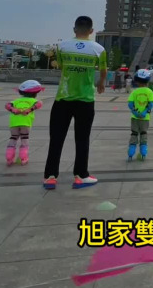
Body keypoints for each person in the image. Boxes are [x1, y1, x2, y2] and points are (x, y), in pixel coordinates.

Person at [43, 16, 106, 190]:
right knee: (82, 138)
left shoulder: (62, 46)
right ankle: (81, 175)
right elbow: (103, 70)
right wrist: (100, 83)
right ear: (91, 31)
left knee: (56, 138)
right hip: (85, 99)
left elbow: (62, 67)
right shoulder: (98, 49)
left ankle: (50, 177)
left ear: (74, 29)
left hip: (63, 98)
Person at [4, 80, 44, 166]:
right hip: (25, 123)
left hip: (14, 122)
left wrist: (13, 110)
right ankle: (23, 158)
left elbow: (7, 105)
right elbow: (39, 103)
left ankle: (9, 158)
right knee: (24, 139)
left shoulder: (17, 100)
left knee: (13, 138)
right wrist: (29, 109)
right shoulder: (33, 100)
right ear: (35, 94)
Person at [127, 69, 153, 161]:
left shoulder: (134, 92)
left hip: (134, 118)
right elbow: (151, 104)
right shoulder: (149, 92)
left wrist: (135, 112)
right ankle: (143, 153)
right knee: (143, 134)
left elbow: (130, 104)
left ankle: (131, 153)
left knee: (134, 134)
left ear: (137, 80)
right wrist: (145, 112)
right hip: (145, 118)